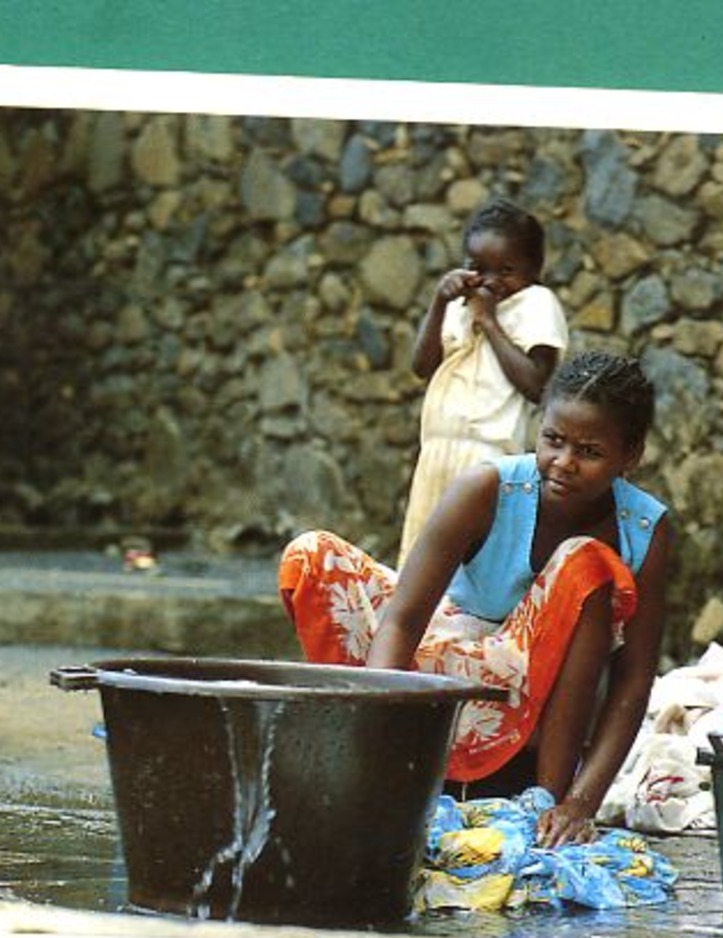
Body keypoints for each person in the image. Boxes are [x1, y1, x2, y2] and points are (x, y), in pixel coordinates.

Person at [280, 352, 672, 848]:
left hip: (537, 697)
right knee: (312, 554)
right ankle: (360, 736)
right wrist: (386, 738)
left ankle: (541, 802)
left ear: (630, 456)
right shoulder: (489, 487)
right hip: (442, 672)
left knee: (589, 564)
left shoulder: (644, 529)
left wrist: (579, 802)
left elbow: (633, 681)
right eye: (553, 440)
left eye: (590, 451)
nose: (564, 463)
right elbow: (403, 618)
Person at [399, 198, 569, 562]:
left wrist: (489, 322)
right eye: (478, 267)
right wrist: (439, 304)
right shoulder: (460, 306)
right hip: (437, 453)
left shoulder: (536, 304)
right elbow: (421, 366)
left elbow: (537, 385)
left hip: (490, 460)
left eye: (506, 270)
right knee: (421, 564)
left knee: (474, 566)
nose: (491, 282)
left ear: (533, 270)